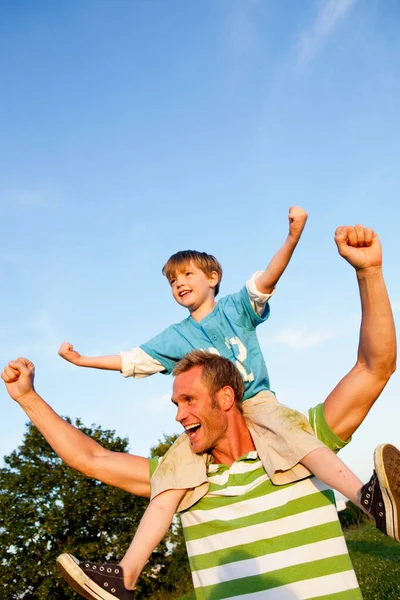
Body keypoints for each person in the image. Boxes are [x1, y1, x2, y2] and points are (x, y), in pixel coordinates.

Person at [2, 225, 399, 600]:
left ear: (226, 397)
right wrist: (30, 396)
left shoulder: (300, 435)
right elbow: (92, 459)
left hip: (269, 414)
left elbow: (374, 367)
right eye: (176, 403)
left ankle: (371, 503)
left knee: (286, 427)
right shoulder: (183, 475)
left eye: (188, 400)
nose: (177, 415)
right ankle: (125, 575)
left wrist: (370, 272)